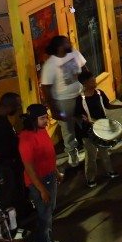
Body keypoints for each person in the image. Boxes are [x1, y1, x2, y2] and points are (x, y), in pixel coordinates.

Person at [19, 104, 62, 242]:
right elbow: (29, 168)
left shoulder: (42, 131)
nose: (47, 121)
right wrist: (42, 190)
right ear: (32, 120)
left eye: (47, 117)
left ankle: (48, 241)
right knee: (44, 217)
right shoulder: (25, 139)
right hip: (40, 182)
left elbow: (48, 155)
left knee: (49, 213)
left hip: (50, 177)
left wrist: (56, 172)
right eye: (43, 118)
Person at [39, 35, 87, 166]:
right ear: (60, 47)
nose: (70, 44)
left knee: (86, 121)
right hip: (63, 101)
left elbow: (85, 69)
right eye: (67, 43)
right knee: (68, 129)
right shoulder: (50, 65)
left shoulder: (74, 53)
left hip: (79, 95)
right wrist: (53, 109)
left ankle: (91, 146)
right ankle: (72, 153)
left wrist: (88, 85)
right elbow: (46, 88)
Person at [74, 70, 122, 186]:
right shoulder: (80, 99)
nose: (95, 81)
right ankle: (90, 178)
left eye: (94, 79)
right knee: (91, 156)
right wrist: (84, 119)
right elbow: (76, 116)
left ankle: (110, 171)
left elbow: (108, 105)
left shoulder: (99, 93)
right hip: (87, 132)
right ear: (85, 84)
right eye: (92, 80)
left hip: (103, 128)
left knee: (105, 152)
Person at [0, 93, 23, 215]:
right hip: (3, 167)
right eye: (18, 106)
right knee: (7, 197)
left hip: (9, 163)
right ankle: (11, 226)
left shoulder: (0, 116)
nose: (19, 108)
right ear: (11, 107)